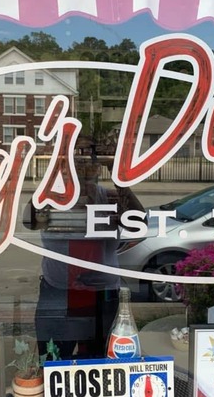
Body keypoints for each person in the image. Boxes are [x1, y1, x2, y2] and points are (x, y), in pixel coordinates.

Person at [29, 152, 144, 360]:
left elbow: (139, 223)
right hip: (58, 292)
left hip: (101, 294)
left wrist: (118, 177)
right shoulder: (51, 197)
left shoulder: (108, 197)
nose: (82, 172)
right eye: (75, 165)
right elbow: (29, 221)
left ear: (97, 170)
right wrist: (53, 174)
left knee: (99, 361)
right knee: (53, 360)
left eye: (89, 166)